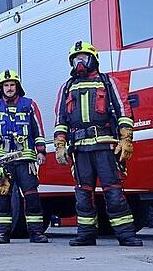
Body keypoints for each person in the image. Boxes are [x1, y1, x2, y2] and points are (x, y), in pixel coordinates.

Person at [52, 41, 141, 247]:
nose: (79, 62)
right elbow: (61, 119)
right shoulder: (67, 87)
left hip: (105, 146)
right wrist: (60, 145)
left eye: (83, 58)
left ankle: (126, 234)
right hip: (80, 149)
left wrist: (126, 139)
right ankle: (85, 234)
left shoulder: (108, 82)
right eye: (75, 59)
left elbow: (124, 111)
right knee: (83, 193)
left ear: (93, 59)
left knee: (113, 191)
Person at [0, 69, 49, 244]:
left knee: (32, 195)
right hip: (2, 162)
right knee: (3, 196)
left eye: (12, 85)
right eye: (6, 85)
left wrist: (41, 151)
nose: (9, 88)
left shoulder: (29, 105)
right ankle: (2, 233)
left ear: (17, 86)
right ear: (1, 87)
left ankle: (36, 233)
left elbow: (38, 130)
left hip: (24, 160)